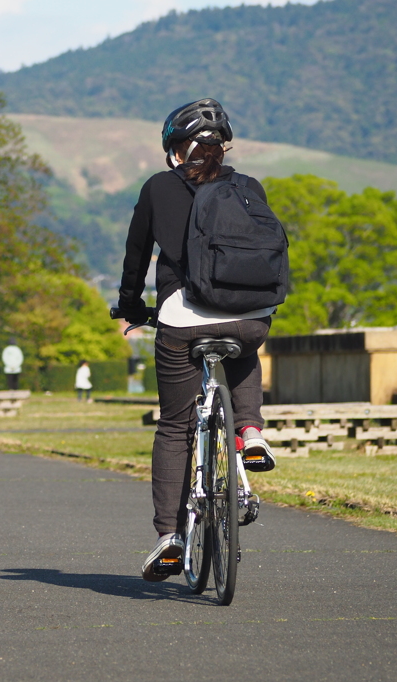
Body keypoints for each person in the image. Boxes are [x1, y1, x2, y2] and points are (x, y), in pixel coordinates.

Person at [116, 98, 277, 582]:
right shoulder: (247, 187)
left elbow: (136, 256)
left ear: (175, 149)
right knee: (244, 345)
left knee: (174, 426)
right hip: (251, 313)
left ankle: (169, 534)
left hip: (183, 319)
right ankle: (250, 432)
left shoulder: (159, 188)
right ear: (221, 149)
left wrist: (130, 305)